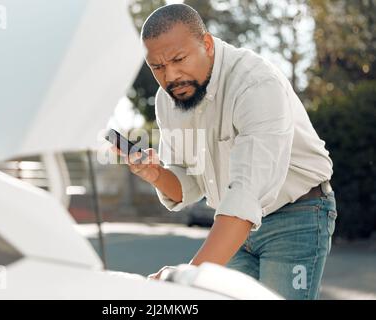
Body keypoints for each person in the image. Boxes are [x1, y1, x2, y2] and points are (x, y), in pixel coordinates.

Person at [114, 4, 337, 300]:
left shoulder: (256, 84)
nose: (171, 76)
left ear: (206, 44)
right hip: (230, 223)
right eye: (157, 67)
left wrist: (184, 281)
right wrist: (157, 174)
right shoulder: (168, 100)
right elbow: (189, 185)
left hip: (296, 214)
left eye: (179, 59)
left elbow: (246, 194)